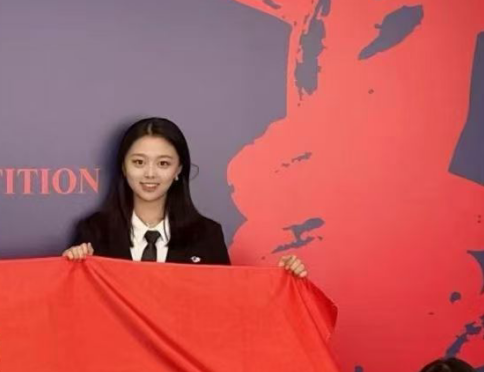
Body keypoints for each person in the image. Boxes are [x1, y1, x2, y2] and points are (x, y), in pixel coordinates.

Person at [63, 117, 306, 274]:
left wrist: (283, 280)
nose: (150, 174)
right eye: (139, 162)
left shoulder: (207, 235)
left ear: (178, 169)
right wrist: (71, 268)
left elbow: (227, 304)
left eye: (163, 163)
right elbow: (76, 306)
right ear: (124, 167)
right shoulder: (94, 232)